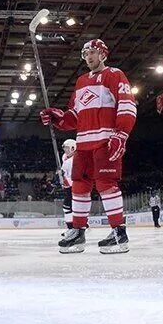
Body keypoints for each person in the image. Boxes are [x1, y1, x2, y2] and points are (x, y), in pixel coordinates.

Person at [40, 38, 137, 254]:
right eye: (85, 54)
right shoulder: (81, 81)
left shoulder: (114, 74)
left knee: (106, 184)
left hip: (105, 140)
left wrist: (121, 134)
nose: (88, 57)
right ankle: (78, 232)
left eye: (92, 52)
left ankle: (119, 233)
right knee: (79, 186)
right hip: (83, 143)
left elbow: (127, 105)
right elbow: (75, 116)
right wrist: (58, 118)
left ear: (103, 54)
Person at [60, 139, 77, 228]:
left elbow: (72, 177)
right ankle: (71, 227)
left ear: (73, 148)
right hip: (69, 186)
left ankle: (75, 226)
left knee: (70, 207)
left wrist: (64, 179)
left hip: (74, 186)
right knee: (67, 207)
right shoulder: (65, 157)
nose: (65, 150)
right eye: (64, 148)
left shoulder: (74, 160)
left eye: (67, 148)